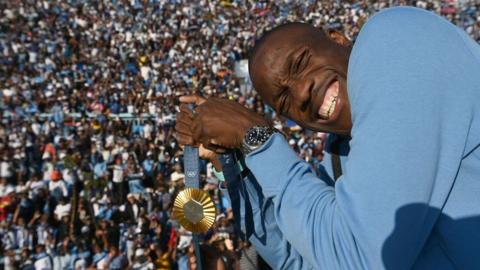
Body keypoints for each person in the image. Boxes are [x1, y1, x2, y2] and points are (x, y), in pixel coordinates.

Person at [175, 7, 480, 270]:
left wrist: (257, 139)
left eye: (300, 62)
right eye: (284, 101)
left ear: (338, 39)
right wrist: (235, 164)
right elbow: (300, 261)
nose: (302, 93)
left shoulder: (392, 38)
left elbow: (359, 257)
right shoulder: (337, 162)